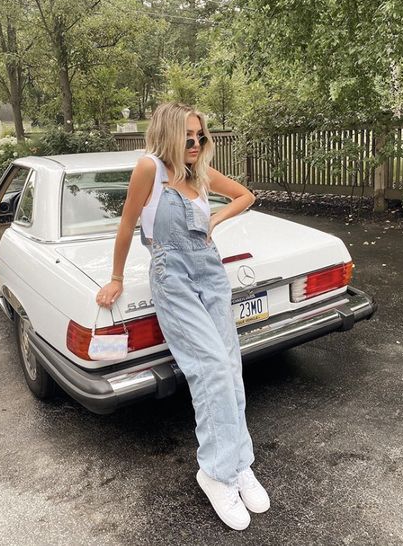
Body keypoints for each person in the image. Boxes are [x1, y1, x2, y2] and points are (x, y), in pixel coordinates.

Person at [96, 102, 270, 530]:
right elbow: (126, 225)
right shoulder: (149, 169)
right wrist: (116, 277)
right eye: (187, 136)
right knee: (209, 367)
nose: (195, 143)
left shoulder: (201, 175)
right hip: (171, 275)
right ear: (168, 134)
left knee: (230, 365)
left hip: (211, 272)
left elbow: (246, 195)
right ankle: (214, 472)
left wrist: (216, 217)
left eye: (200, 136)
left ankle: (237, 464)